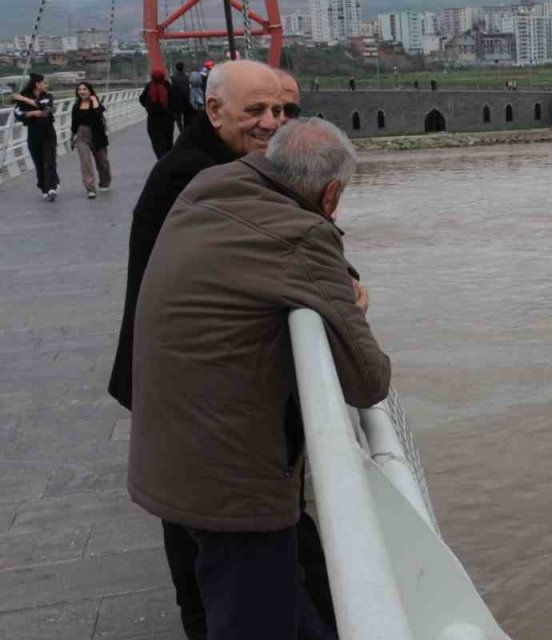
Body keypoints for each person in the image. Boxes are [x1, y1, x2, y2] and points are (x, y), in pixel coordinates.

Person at [130, 117, 388, 640]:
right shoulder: (301, 234)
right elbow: (368, 381)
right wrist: (351, 305)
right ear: (331, 195)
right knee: (254, 620)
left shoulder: (211, 185)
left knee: (292, 610)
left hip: (173, 451)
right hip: (233, 485)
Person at [108, 59, 293, 638]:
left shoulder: (211, 163)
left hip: (178, 376)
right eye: (256, 110)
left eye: (281, 110)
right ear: (213, 111)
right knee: (195, 528)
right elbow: (272, 251)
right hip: (183, 381)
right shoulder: (194, 176)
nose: (272, 122)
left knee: (190, 517)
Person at [12, 73, 60, 201]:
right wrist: (32, 113)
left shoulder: (48, 96)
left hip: (48, 132)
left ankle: (52, 187)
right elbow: (18, 113)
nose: (46, 85)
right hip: (33, 132)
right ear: (37, 84)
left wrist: (24, 99)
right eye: (44, 83)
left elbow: (45, 108)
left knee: (49, 160)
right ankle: (44, 187)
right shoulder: (24, 98)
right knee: (39, 161)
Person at [70, 82, 112, 199]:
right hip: (81, 135)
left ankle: (105, 182)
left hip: (97, 135)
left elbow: (99, 113)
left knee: (102, 161)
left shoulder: (96, 104)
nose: (82, 91)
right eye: (79, 89)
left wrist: (94, 100)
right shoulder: (76, 107)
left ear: (90, 91)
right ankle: (90, 188)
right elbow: (74, 124)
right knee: (85, 162)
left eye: (85, 89)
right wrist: (72, 137)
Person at [140, 69, 176, 158]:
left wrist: (148, 107)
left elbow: (141, 99)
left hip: (153, 121)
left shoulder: (149, 86)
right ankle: (168, 160)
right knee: (168, 143)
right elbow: (174, 101)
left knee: (158, 145)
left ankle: (161, 160)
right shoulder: (167, 85)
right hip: (167, 120)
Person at [171, 62, 192, 131]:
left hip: (177, 100)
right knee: (186, 116)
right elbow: (188, 88)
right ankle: (186, 129)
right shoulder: (186, 77)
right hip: (186, 99)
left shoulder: (173, 78)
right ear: (183, 68)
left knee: (178, 117)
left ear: (176, 68)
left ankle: (181, 130)